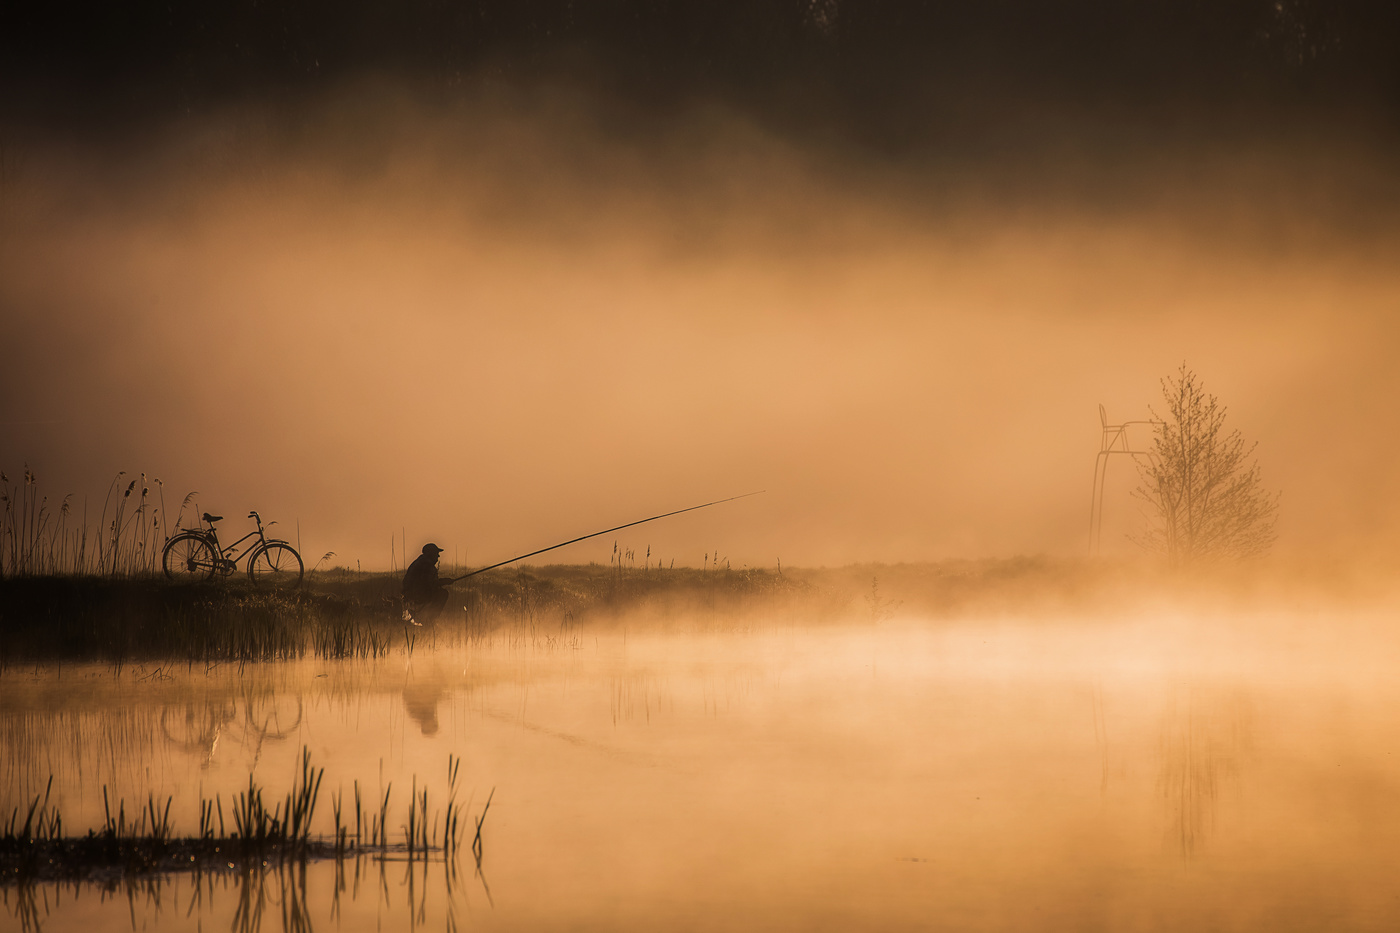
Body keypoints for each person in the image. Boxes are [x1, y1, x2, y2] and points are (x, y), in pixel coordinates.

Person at [403, 543, 450, 623]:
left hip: (409, 596)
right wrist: (444, 582)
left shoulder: (419, 563)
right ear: (431, 554)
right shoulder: (427, 566)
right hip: (418, 596)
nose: (438, 556)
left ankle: (423, 618)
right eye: (436, 554)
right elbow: (429, 583)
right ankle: (429, 620)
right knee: (443, 593)